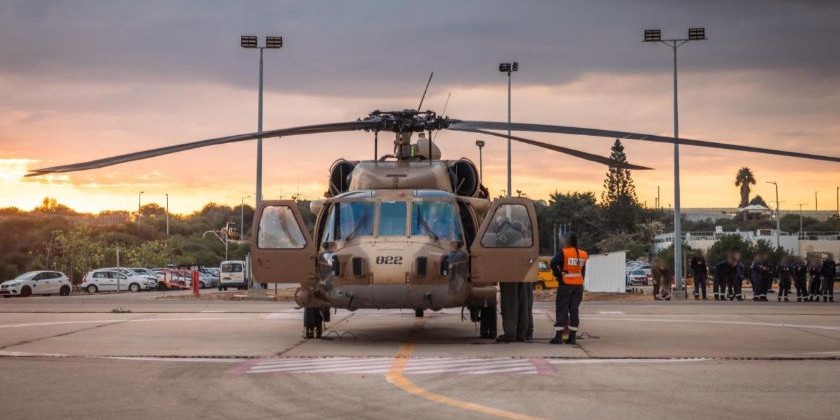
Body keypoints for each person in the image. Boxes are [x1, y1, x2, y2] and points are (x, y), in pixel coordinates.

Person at [549, 232, 588, 345]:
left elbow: (553, 262)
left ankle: (559, 336)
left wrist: (559, 274)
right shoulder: (583, 254)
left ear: (567, 242)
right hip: (578, 286)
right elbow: (582, 271)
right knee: (574, 310)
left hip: (566, 285)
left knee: (562, 309)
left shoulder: (564, 252)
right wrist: (580, 280)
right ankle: (572, 337)